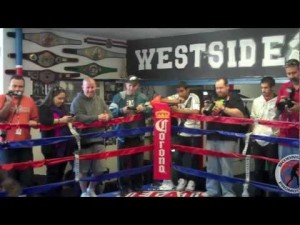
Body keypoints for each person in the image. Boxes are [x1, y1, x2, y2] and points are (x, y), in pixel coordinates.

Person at [201, 78, 247, 197]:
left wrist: (223, 108)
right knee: (211, 166)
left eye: (221, 87)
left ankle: (227, 192)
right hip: (212, 135)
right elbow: (203, 111)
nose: (219, 90)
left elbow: (241, 115)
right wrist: (205, 109)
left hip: (228, 137)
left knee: (226, 167)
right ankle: (212, 191)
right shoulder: (213, 97)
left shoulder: (235, 98)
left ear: (227, 87)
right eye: (217, 88)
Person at [109, 75, 152, 196]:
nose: (131, 88)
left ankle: (137, 187)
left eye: (134, 85)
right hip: (123, 136)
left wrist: (144, 109)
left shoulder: (143, 97)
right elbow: (111, 112)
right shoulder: (119, 97)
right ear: (125, 85)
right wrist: (121, 111)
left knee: (138, 163)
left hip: (138, 136)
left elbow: (152, 110)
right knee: (123, 165)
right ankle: (123, 188)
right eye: (129, 85)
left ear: (137, 86)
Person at [70, 78, 112, 197]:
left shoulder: (99, 99)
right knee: (82, 171)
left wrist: (106, 117)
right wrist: (97, 117)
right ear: (82, 88)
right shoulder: (76, 101)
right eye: (87, 87)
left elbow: (110, 113)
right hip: (82, 140)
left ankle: (91, 189)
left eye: (92, 87)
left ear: (96, 87)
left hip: (98, 139)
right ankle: (84, 193)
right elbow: (77, 117)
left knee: (100, 169)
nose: (90, 90)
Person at [159, 81, 201, 191]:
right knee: (176, 156)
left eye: (182, 91)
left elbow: (196, 111)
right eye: (178, 91)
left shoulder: (194, 97)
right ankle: (182, 179)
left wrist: (178, 110)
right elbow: (160, 99)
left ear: (188, 90)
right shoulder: (177, 97)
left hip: (194, 132)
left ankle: (192, 181)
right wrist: (175, 101)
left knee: (193, 159)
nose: (180, 93)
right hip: (181, 132)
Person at [0, 75, 39, 188]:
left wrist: (33, 122)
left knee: (26, 176)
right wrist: (9, 102)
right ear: (9, 86)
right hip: (6, 144)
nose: (17, 89)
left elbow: (36, 121)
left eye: (20, 87)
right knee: (8, 176)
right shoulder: (2, 98)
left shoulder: (29, 101)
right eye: (15, 86)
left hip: (25, 144)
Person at [38, 86, 75, 196]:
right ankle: (50, 194)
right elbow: (45, 121)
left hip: (64, 146)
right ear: (52, 97)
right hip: (51, 146)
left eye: (63, 98)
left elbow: (66, 123)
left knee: (60, 173)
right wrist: (61, 120)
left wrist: (70, 119)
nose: (62, 101)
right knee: (52, 173)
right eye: (59, 98)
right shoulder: (44, 107)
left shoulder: (63, 108)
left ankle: (57, 194)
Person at [250, 77, 278, 197]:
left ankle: (272, 195)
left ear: (272, 87)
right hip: (258, 139)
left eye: (266, 87)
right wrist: (253, 133)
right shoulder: (256, 101)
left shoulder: (278, 101)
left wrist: (277, 134)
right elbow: (252, 118)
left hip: (272, 139)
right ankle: (258, 194)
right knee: (257, 170)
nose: (263, 90)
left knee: (273, 172)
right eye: (262, 87)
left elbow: (282, 119)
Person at [276, 59, 299, 196]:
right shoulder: (284, 87)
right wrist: (282, 105)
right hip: (285, 135)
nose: (291, 76)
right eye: (288, 73)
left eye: (294, 72)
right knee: (285, 169)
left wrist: (299, 108)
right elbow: (277, 111)